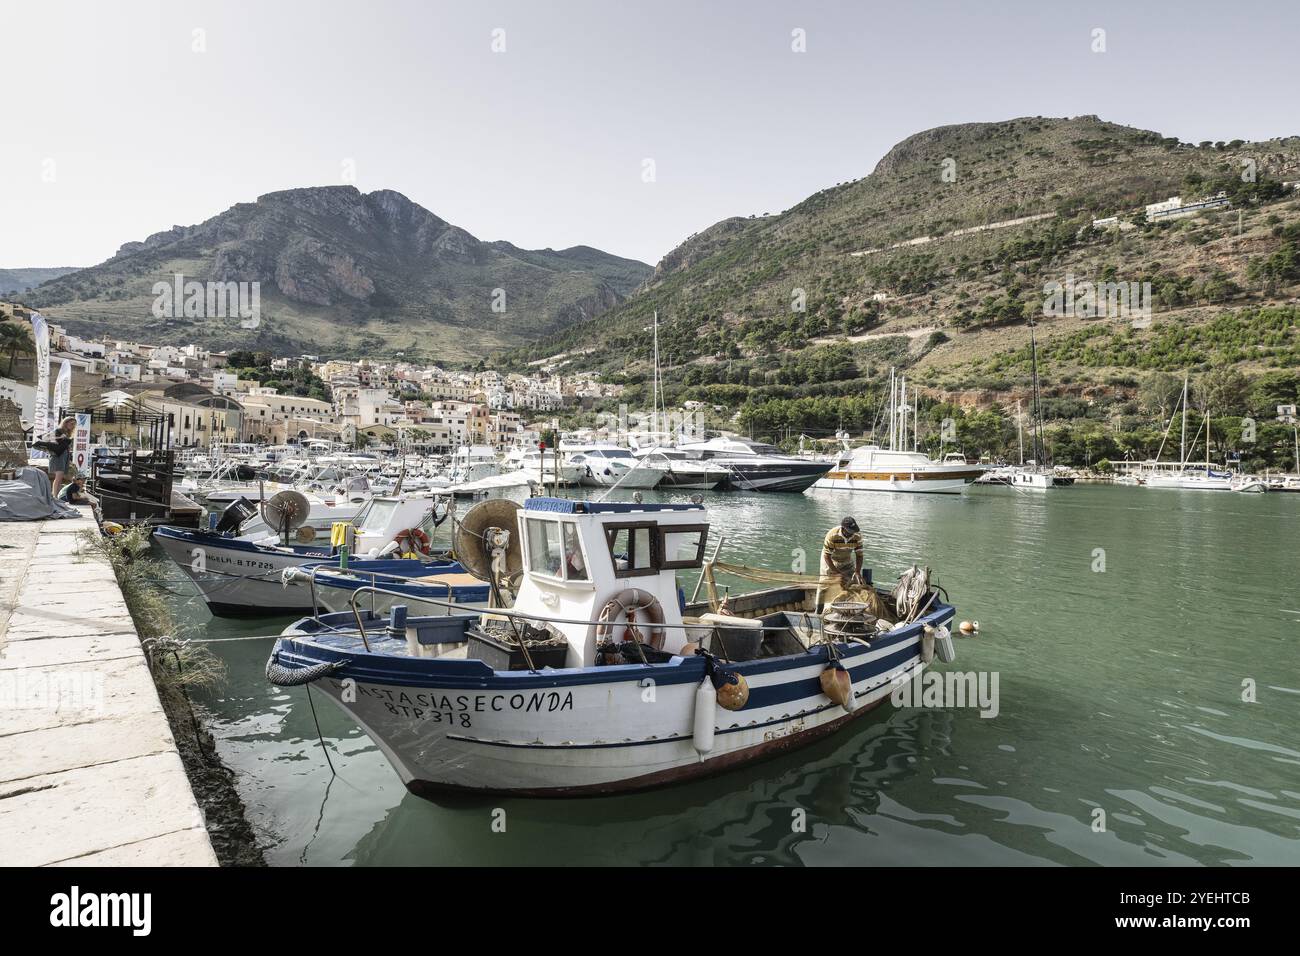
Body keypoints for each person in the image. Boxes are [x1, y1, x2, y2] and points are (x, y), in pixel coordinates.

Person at [817, 516, 864, 609]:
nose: (852, 534)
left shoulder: (857, 536)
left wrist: (857, 571)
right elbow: (827, 556)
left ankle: (848, 607)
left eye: (853, 531)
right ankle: (818, 609)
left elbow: (859, 555)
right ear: (843, 528)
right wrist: (837, 572)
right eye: (850, 532)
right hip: (830, 559)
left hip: (846, 559)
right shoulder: (832, 535)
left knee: (852, 582)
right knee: (824, 584)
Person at [33, 416, 76, 499]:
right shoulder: (58, 431)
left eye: (74, 424)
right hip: (58, 457)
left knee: (59, 477)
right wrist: (59, 437)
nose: (73, 426)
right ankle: (54, 497)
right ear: (66, 423)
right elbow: (44, 437)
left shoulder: (67, 433)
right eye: (71, 423)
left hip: (64, 457)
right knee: (58, 477)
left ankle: (54, 496)